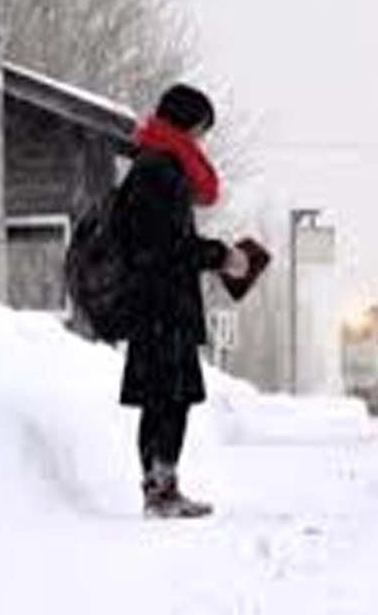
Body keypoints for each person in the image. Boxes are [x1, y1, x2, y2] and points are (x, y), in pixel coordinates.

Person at [114, 83, 248, 519]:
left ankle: (158, 486)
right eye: (200, 131)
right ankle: (161, 489)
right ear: (187, 124)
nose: (200, 141)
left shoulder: (149, 166)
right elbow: (169, 248)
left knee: (162, 399)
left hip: (154, 307)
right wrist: (221, 256)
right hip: (163, 308)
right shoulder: (162, 172)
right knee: (170, 399)